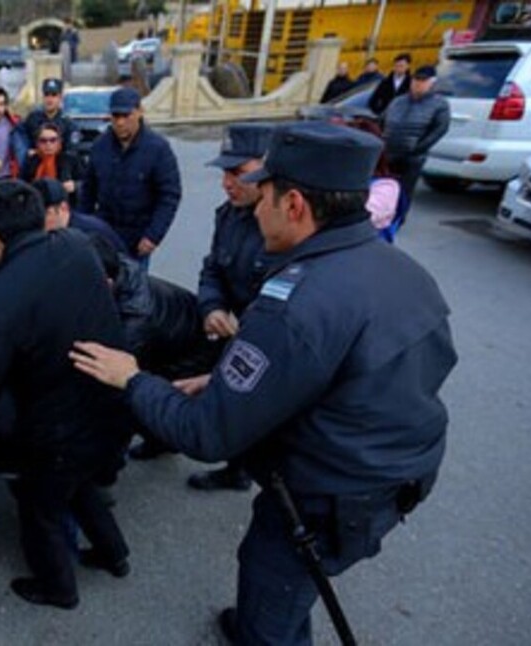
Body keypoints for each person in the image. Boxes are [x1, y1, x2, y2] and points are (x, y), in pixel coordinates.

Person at [70, 121, 457, 645]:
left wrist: (132, 378)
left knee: (272, 595)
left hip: (327, 493)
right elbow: (375, 372)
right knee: (290, 587)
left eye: (265, 196)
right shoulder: (403, 271)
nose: (254, 208)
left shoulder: (294, 304)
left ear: (294, 203)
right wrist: (226, 382)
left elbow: (207, 436)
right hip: (394, 475)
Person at [0, 180, 132, 610]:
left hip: (55, 432)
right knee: (81, 488)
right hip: (109, 406)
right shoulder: (77, 246)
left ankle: (58, 588)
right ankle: (115, 555)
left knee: (42, 511)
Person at [133, 123, 273, 473]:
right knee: (184, 380)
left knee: (244, 406)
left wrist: (245, 326)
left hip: (260, 337)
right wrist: (211, 306)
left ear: (266, 166)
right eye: (225, 173)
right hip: (221, 329)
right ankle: (164, 439)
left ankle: (238, 471)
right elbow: (212, 268)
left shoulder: (281, 225)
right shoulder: (228, 215)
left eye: (238, 173)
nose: (227, 183)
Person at [79, 87, 182, 267]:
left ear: (139, 112)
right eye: (115, 116)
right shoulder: (99, 147)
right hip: (104, 236)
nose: (120, 122)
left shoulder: (158, 149)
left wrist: (153, 236)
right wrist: (82, 229)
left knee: (135, 291)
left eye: (126, 116)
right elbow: (88, 192)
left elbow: (169, 196)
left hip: (138, 240)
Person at [382, 65, 450, 207]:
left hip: (413, 157)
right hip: (389, 153)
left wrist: (419, 147)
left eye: (422, 81)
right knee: (384, 191)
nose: (417, 84)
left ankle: (399, 219)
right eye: (415, 80)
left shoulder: (439, 104)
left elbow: (440, 129)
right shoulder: (398, 101)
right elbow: (382, 121)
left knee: (404, 194)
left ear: (432, 83)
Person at [19, 123, 83, 195]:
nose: (48, 144)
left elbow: (86, 183)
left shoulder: (71, 160)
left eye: (53, 140)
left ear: (59, 142)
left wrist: (75, 185)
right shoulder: (31, 161)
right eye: (43, 141)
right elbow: (21, 184)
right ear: (37, 143)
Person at [22, 79, 78, 157]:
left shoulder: (68, 124)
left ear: (60, 98)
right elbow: (21, 138)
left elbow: (71, 152)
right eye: (47, 94)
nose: (50, 99)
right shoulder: (33, 119)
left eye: (54, 95)